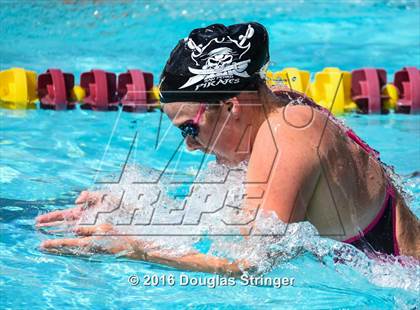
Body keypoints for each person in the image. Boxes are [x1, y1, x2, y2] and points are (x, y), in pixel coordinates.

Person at [36, 22, 419, 274]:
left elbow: (247, 265)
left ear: (231, 106)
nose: (190, 147)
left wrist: (133, 248)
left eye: (190, 129)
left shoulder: (286, 140)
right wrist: (129, 210)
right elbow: (219, 216)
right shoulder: (277, 107)